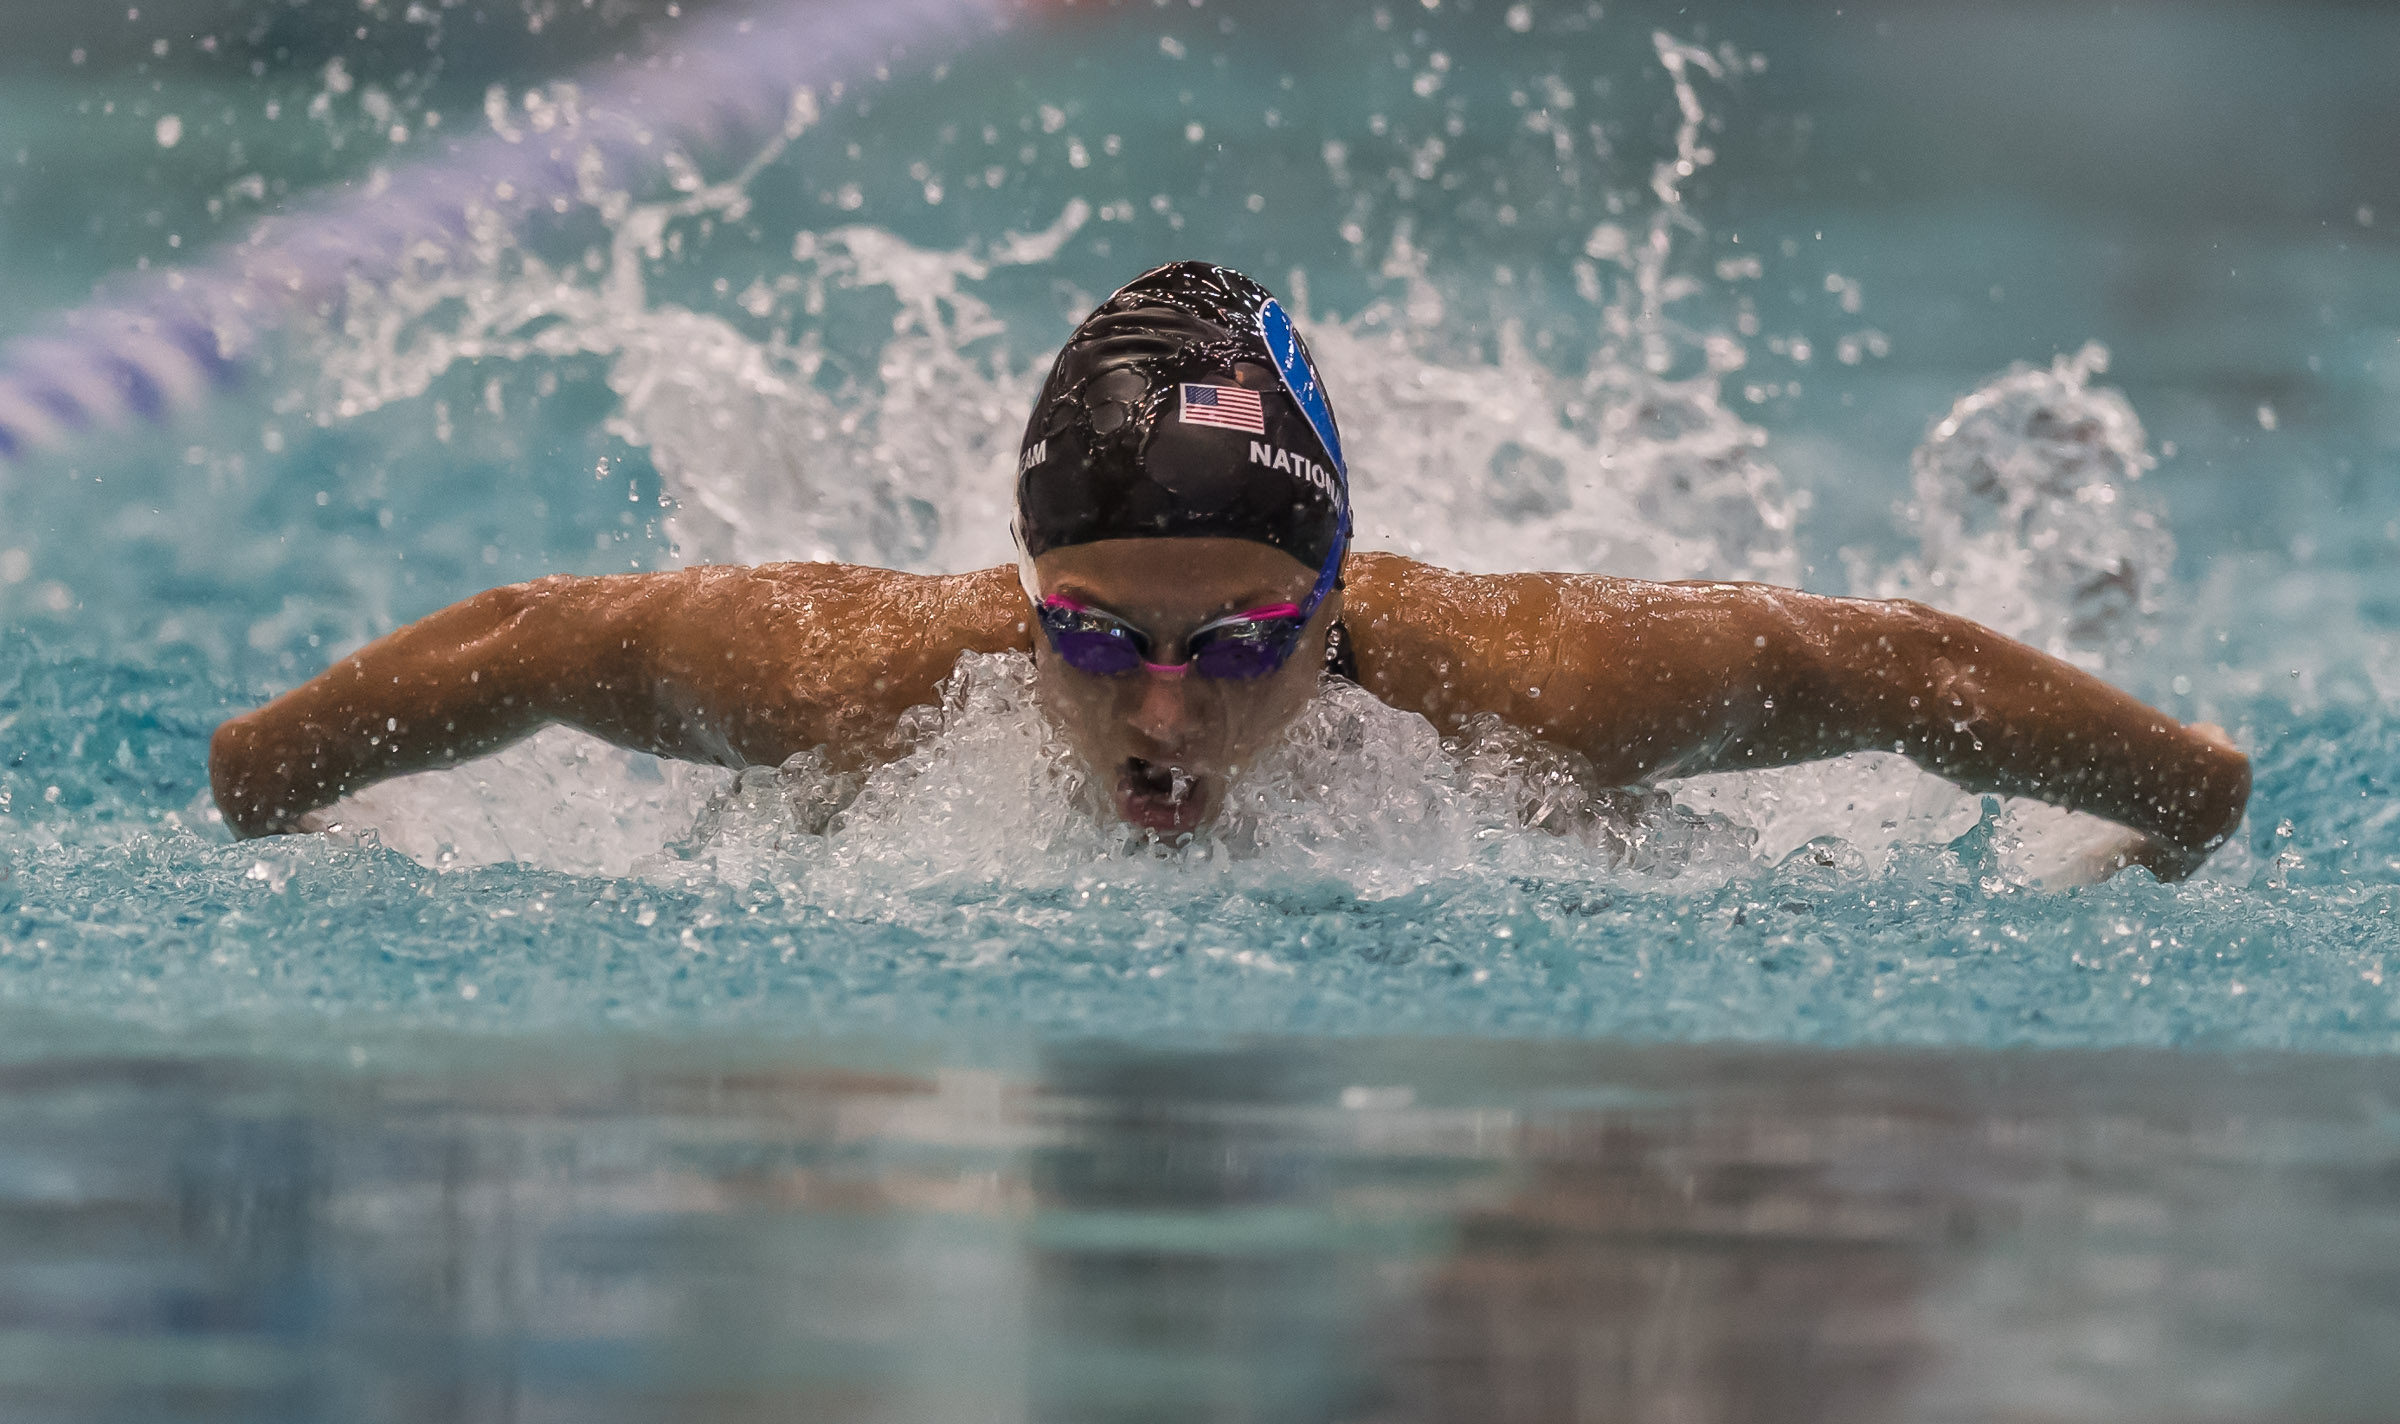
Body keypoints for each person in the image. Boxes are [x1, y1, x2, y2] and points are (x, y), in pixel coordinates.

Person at [209, 262, 2250, 877]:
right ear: (1027, 598)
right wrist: (261, 794)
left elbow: (1881, 661)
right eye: (1096, 637)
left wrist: (2171, 809)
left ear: (1335, 604)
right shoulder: (867, 676)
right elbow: (544, 639)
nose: (1163, 713)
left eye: (1241, 639)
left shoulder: (1531, 689)